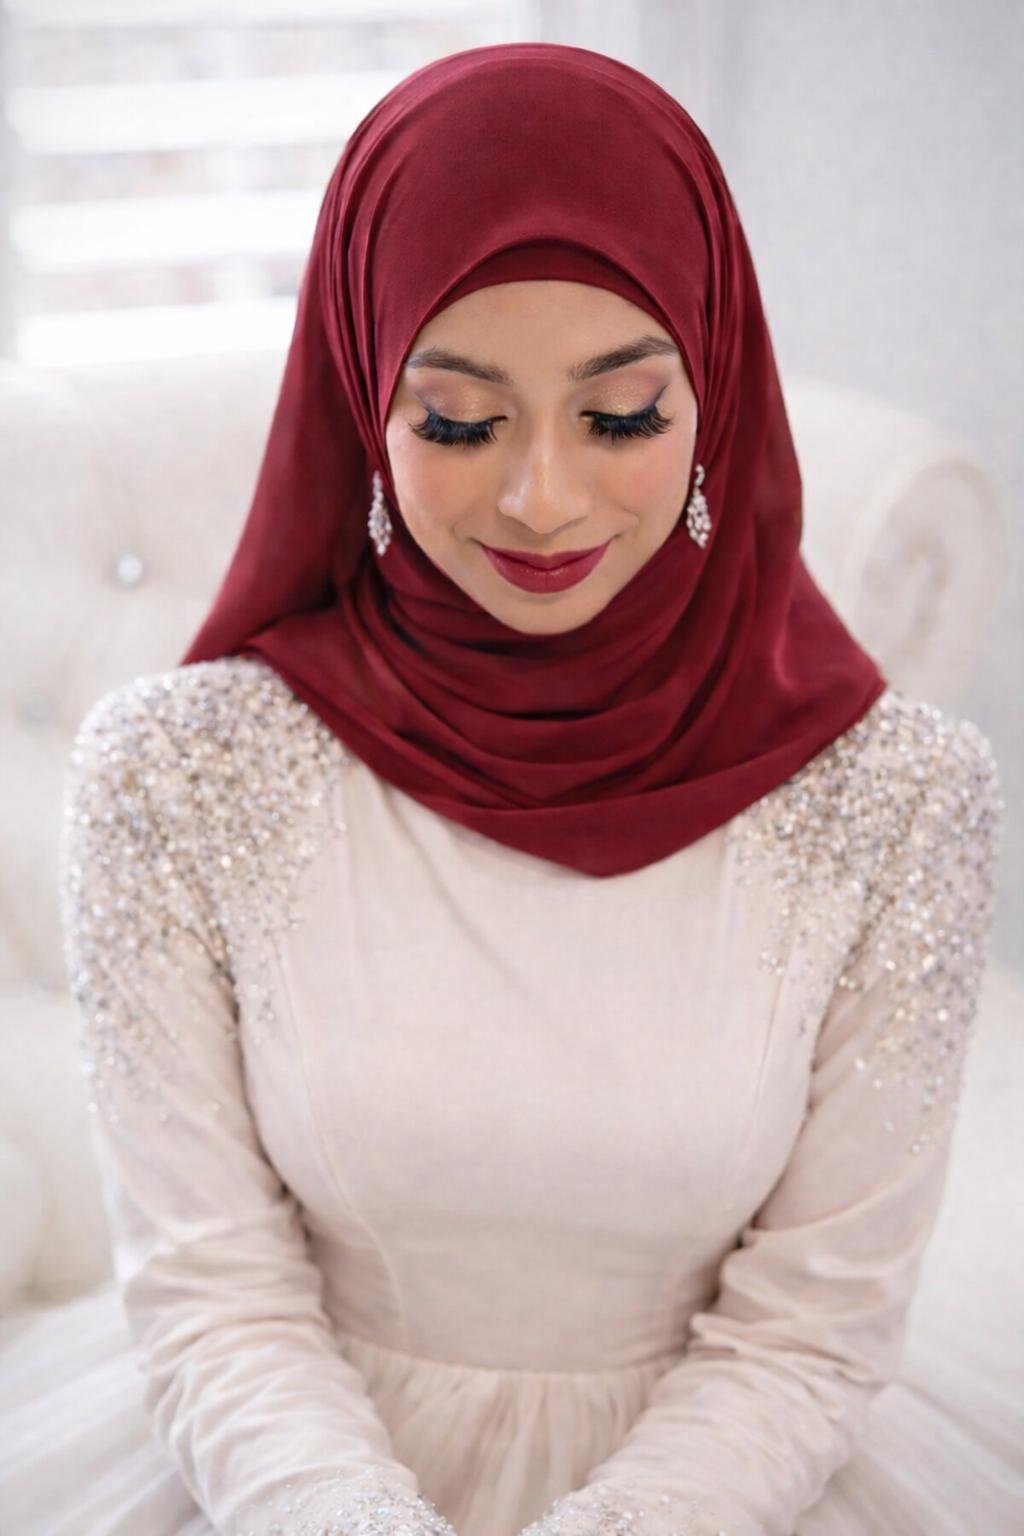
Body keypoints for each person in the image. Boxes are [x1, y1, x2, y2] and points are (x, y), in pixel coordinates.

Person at [0, 40, 1017, 1536]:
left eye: (623, 417)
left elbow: (812, 1329)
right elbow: (213, 1289)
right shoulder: (178, 774)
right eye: (461, 423)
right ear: (364, 402)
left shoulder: (900, 798)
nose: (543, 500)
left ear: (717, 395)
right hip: (268, 1473)